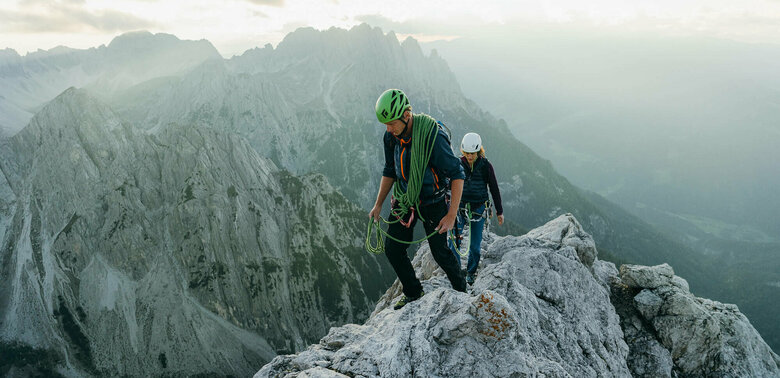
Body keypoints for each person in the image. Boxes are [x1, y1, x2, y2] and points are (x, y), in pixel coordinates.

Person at [368, 89, 467, 310]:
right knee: (393, 248)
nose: (388, 129)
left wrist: (451, 215)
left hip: (433, 201)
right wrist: (378, 204)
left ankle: (462, 291)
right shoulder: (391, 137)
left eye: (391, 123)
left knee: (440, 253)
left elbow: (457, 173)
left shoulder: (433, 137)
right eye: (385, 124)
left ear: (406, 115)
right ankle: (413, 291)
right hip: (405, 199)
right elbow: (390, 170)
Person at [450, 132, 504, 285]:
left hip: (478, 208)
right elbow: (449, 184)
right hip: (459, 207)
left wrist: (499, 211)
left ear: (479, 151)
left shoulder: (486, 166)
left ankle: (471, 272)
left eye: (472, 153)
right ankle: (456, 273)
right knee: (453, 242)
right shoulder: (457, 164)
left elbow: (494, 188)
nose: (469, 156)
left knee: (475, 247)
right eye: (467, 153)